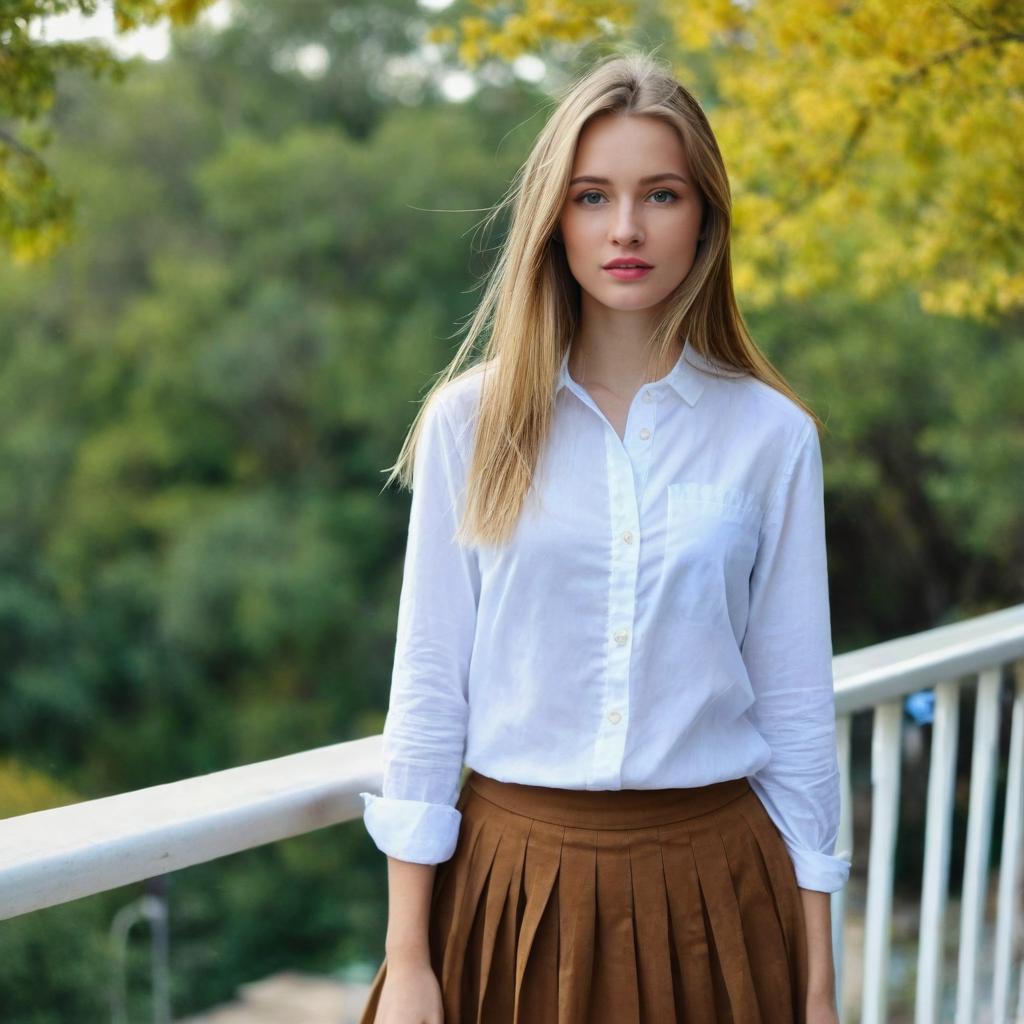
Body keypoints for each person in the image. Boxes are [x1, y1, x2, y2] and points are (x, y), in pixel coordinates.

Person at [357, 49, 850, 1024]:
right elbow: (428, 692)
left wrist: (820, 986)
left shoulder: (772, 436)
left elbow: (797, 718)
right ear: (555, 218)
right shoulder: (471, 424)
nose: (626, 228)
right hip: (510, 888)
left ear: (704, 216)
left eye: (660, 194)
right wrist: (407, 957)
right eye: (593, 197)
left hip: (719, 892)